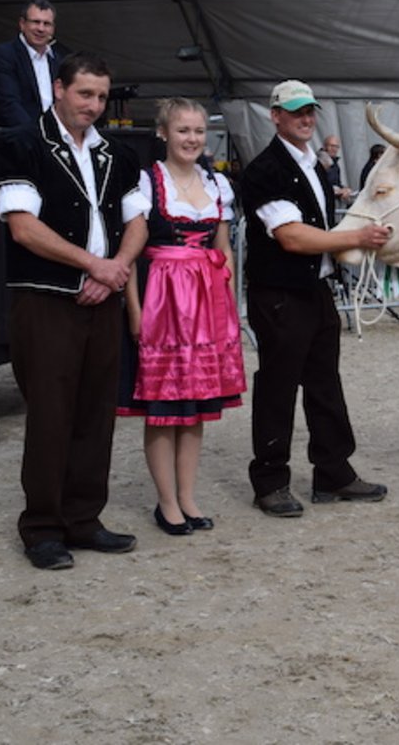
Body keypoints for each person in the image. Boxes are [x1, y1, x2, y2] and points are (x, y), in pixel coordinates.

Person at [0, 52, 150, 570]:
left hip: (102, 297)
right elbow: (23, 226)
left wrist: (116, 269)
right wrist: (92, 265)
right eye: (85, 94)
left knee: (95, 412)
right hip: (46, 299)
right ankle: (42, 527)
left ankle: (84, 518)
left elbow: (138, 223)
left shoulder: (116, 154)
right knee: (52, 413)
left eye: (102, 97)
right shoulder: (23, 144)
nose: (94, 105)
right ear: (59, 88)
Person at [239, 80, 393, 517]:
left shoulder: (315, 164)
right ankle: (270, 480)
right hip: (280, 293)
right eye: (296, 111)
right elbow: (290, 236)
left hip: (316, 288)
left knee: (325, 383)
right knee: (278, 386)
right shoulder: (265, 170)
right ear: (276, 116)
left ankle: (333, 470)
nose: (306, 118)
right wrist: (354, 236)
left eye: (310, 110)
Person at [118, 98, 244, 536]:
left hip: (205, 306)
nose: (191, 139)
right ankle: (166, 502)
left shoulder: (217, 184)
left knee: (195, 409)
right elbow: (131, 256)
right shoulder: (146, 183)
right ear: (163, 134)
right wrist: (134, 312)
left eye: (197, 131)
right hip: (162, 302)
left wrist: (225, 305)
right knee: (164, 407)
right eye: (182, 131)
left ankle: (188, 496)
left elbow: (222, 248)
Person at [0, 0, 68, 129]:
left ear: (53, 29)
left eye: (47, 24)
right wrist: (38, 138)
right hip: (17, 141)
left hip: (53, 142)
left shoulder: (59, 61)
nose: (41, 29)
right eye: (36, 22)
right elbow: (8, 104)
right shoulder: (3, 55)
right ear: (22, 24)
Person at [317, 135, 352, 203]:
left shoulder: (335, 163)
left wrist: (344, 189)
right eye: (332, 146)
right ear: (325, 146)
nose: (334, 149)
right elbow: (319, 185)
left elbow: (337, 183)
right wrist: (338, 191)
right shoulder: (319, 161)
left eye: (336, 146)